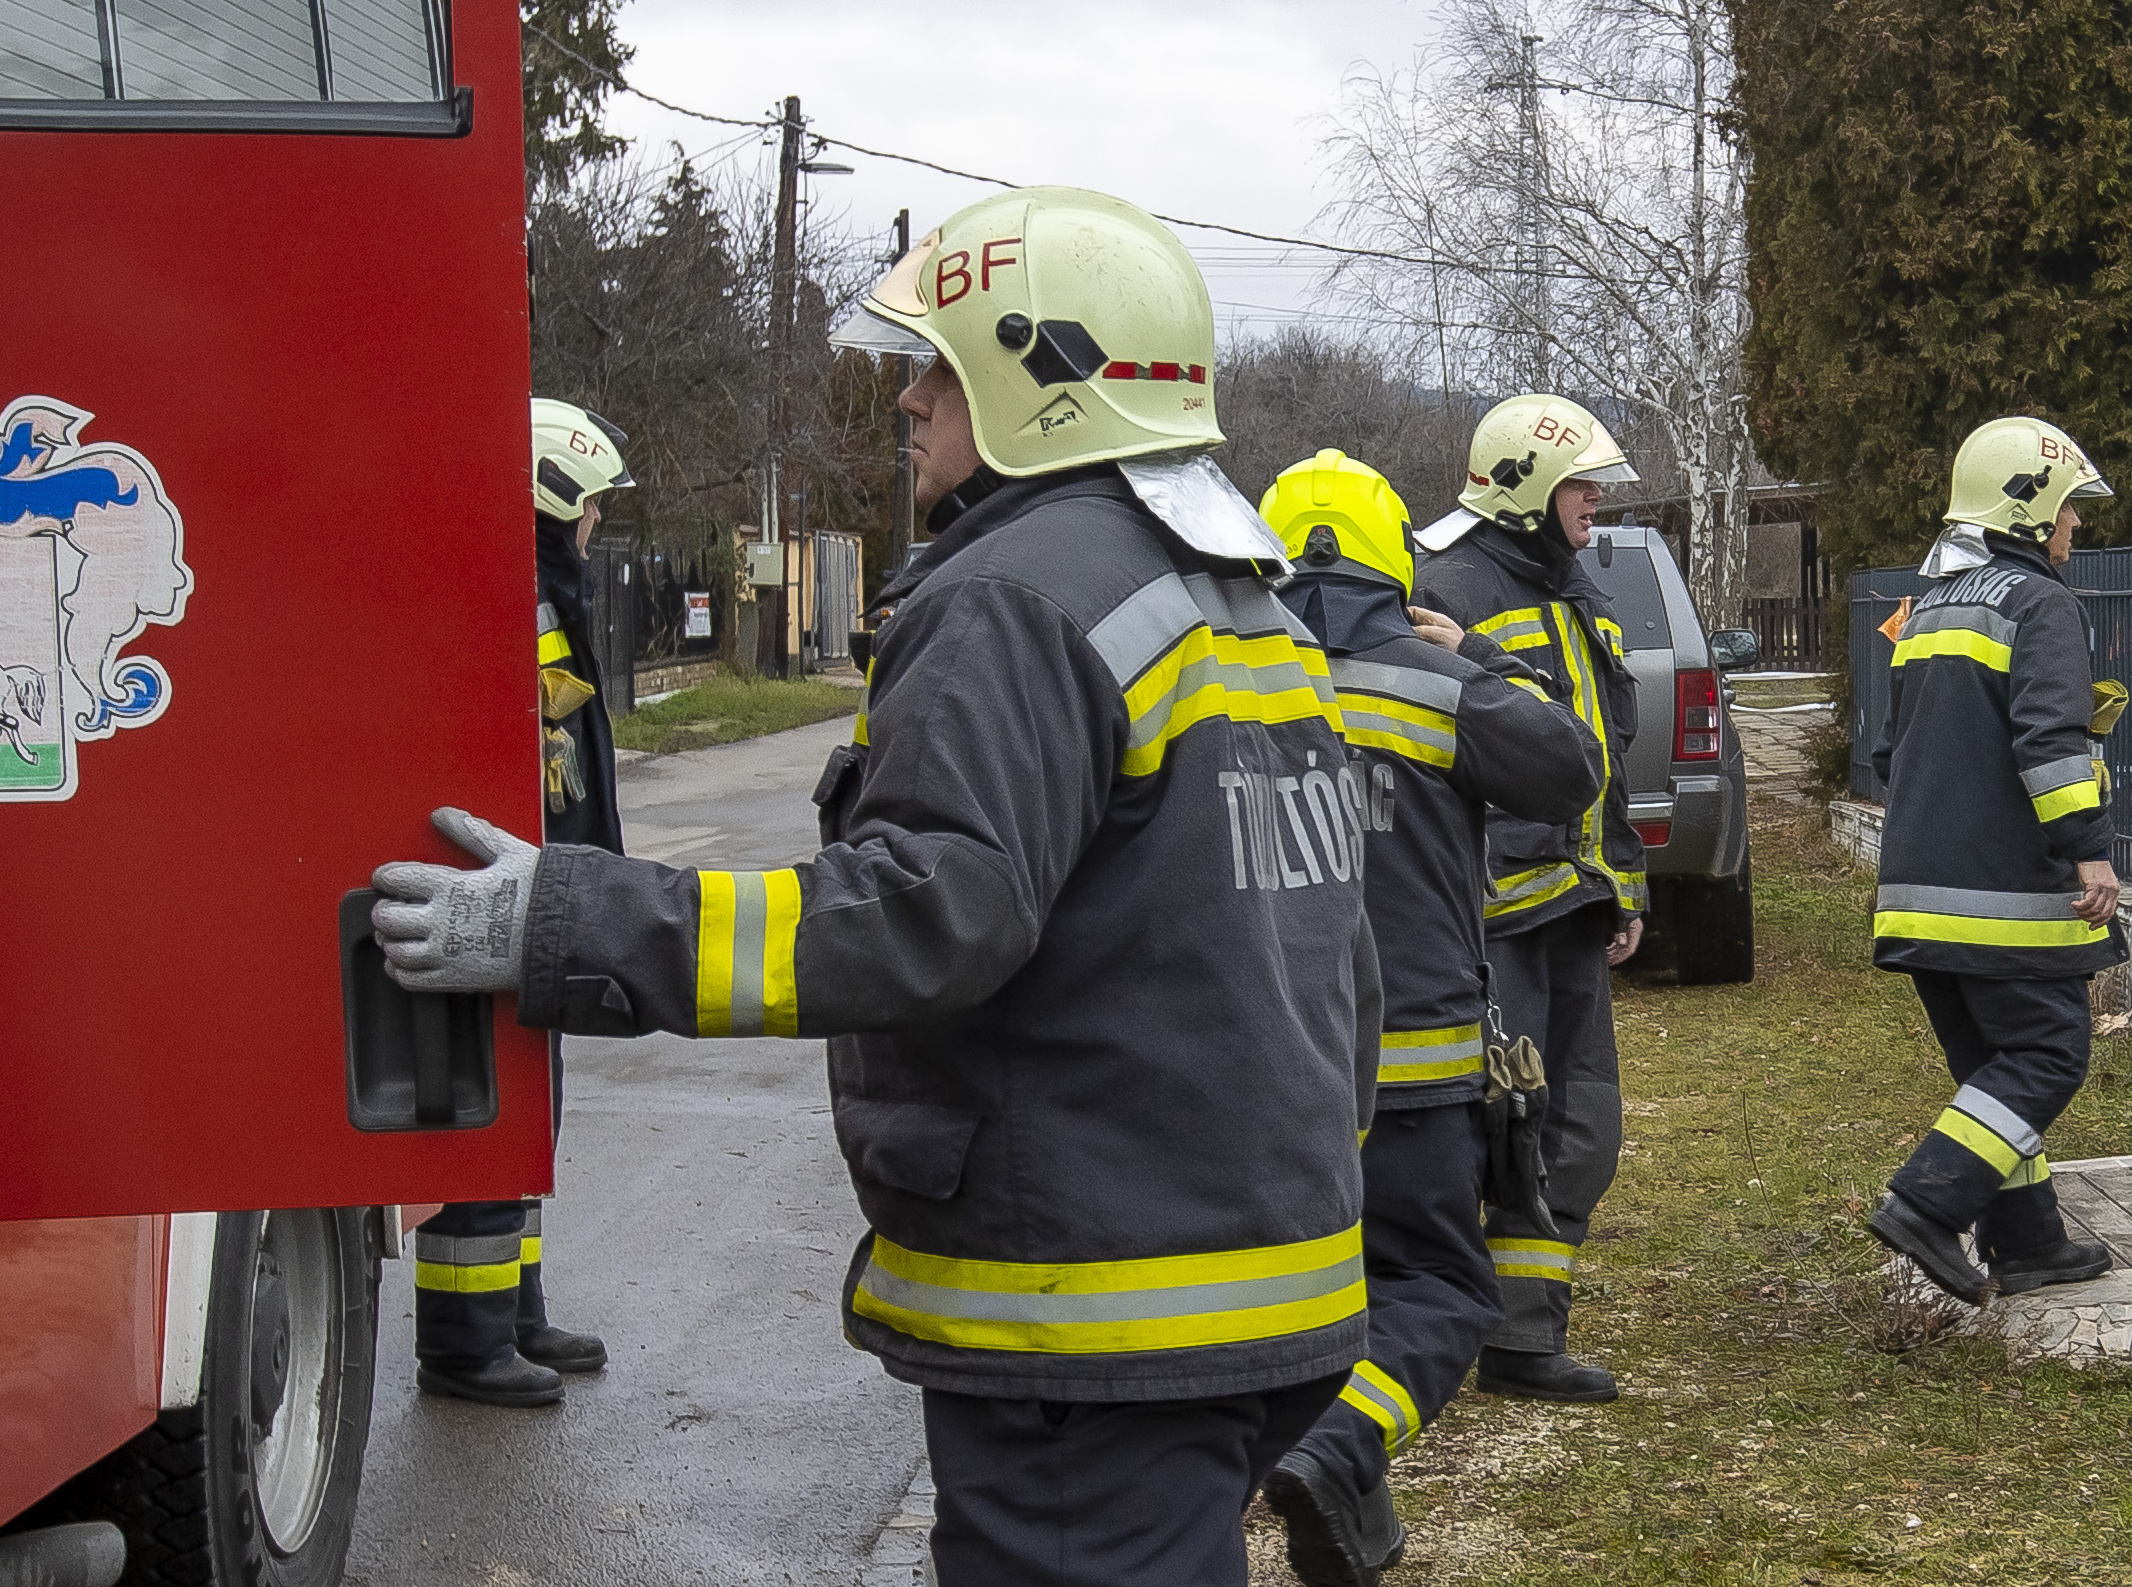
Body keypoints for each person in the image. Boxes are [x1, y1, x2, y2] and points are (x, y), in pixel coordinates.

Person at [370, 187, 1376, 1585]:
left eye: (936, 368)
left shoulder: (1016, 601)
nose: (905, 399)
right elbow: (1336, 957)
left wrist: (571, 915)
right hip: (1258, 1288)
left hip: (1093, 1327)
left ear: (1044, 385)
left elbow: (919, 913)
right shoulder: (1239, 597)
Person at [1254, 452, 1602, 1585]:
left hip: (1269, 1072)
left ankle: (1341, 1503)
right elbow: (1571, 770)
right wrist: (1482, 653)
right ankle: (1336, 1446)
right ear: (1392, 557)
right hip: (1415, 1066)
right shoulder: (1431, 682)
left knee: (1306, 1297)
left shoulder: (1223, 680)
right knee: (1445, 1291)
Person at [1409, 394, 1645, 1405]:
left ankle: (1522, 1336)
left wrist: (1623, 880)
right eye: (1579, 483)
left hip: (1574, 905)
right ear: (1523, 491)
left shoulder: (1576, 588)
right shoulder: (1442, 587)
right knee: (1502, 1123)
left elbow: (1603, 758)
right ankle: (1451, 1328)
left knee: (1581, 1127)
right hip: (1491, 913)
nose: (1594, 499)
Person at [1867, 416, 2123, 1299]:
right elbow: (2048, 745)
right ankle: (1926, 1205)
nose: (2074, 527)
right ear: (2025, 509)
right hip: (2003, 895)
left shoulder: (1929, 605)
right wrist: (2089, 852)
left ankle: (2029, 1242)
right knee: (2047, 1054)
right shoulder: (2037, 602)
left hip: (1914, 896)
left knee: (1991, 1070)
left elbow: (1886, 752)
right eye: (2065, 509)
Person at [409, 398, 633, 1408]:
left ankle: (515, 1310)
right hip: (494, 897)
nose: (597, 527)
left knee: (527, 1110)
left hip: (539, 890)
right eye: (591, 506)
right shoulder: (506, 600)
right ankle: (465, 1341)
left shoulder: (542, 598)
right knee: (488, 1114)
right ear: (551, 492)